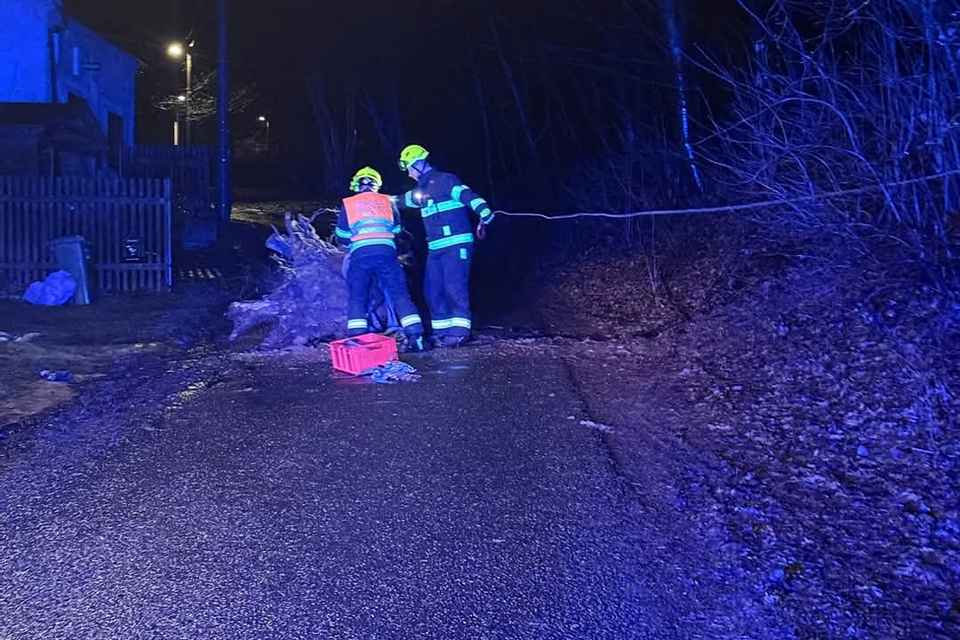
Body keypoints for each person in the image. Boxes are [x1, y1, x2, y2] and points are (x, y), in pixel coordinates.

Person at [396, 144, 495, 347]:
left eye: (409, 168)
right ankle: (441, 333)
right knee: (433, 290)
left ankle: (459, 333)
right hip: (436, 248)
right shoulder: (420, 190)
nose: (409, 174)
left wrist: (484, 213)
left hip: (457, 243)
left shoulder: (445, 180)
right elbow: (400, 201)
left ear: (417, 164)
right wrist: (376, 200)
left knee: (454, 287)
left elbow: (469, 196)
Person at [335, 166, 425, 352]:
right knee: (400, 294)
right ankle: (417, 337)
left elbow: (342, 236)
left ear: (356, 184)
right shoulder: (387, 201)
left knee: (358, 297)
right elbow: (397, 230)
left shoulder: (349, 203)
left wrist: (356, 239)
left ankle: (357, 342)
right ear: (377, 184)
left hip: (360, 256)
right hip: (387, 254)